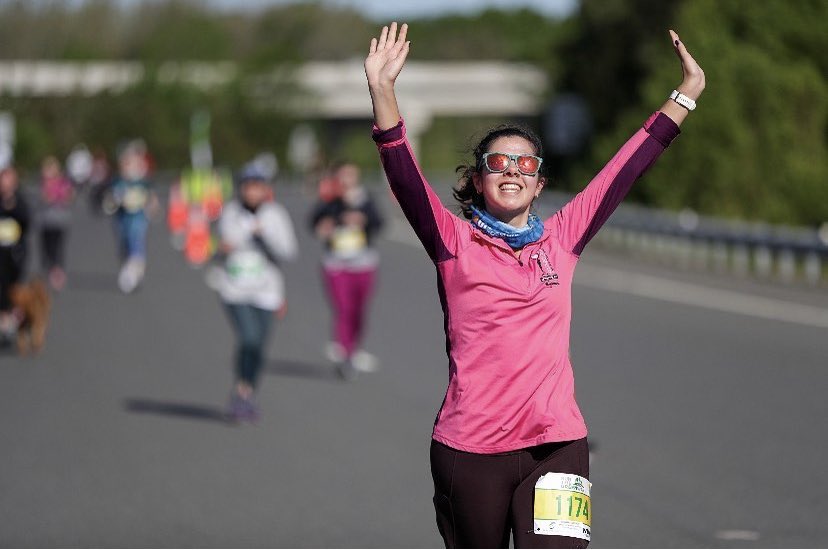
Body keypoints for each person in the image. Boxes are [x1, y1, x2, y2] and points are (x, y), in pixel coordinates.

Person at [365, 23, 705, 548]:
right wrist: (383, 92)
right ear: (478, 180)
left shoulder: (563, 239)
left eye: (525, 164)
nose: (512, 171)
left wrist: (684, 96)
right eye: (498, 162)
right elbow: (405, 176)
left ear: (539, 182)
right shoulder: (453, 241)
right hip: (470, 448)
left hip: (557, 444)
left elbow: (624, 170)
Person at [214, 165, 297, 422]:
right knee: (248, 337)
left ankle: (247, 392)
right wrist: (245, 232)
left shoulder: (276, 215)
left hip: (267, 292)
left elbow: (289, 252)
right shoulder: (230, 212)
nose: (252, 192)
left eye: (257, 187)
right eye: (247, 186)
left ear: (265, 189)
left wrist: (266, 234)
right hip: (235, 289)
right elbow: (225, 242)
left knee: (259, 346)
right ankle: (241, 390)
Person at [310, 162, 384, 380]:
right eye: (343, 177)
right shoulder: (330, 199)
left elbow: (379, 222)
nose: (347, 181)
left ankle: (354, 347)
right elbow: (314, 222)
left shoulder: (365, 199)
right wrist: (329, 223)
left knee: (358, 310)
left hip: (364, 262)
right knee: (343, 307)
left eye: (352, 176)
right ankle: (345, 353)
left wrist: (363, 219)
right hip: (336, 263)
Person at [107, 141, 157, 294]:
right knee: (124, 247)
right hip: (122, 218)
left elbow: (151, 197)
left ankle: (132, 274)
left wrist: (152, 207)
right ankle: (131, 269)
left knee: (136, 243)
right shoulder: (118, 181)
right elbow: (111, 200)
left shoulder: (142, 182)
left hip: (138, 217)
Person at [0, 166, 30, 345]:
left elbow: (27, 222)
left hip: (15, 253)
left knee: (14, 288)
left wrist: (12, 208)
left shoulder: (20, 201)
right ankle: (4, 322)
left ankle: (15, 319)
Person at [39, 156, 74, 290]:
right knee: (47, 248)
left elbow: (69, 196)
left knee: (57, 247)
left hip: (59, 221)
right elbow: (44, 198)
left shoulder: (63, 182)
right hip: (46, 222)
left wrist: (60, 195)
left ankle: (57, 270)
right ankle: (50, 268)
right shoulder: (44, 183)